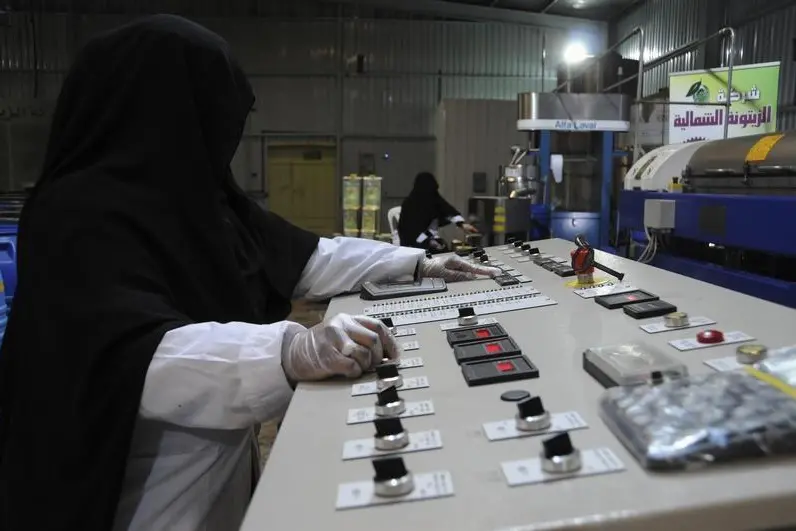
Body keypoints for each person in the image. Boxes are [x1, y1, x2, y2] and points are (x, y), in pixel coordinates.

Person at [0, 15, 499, 531]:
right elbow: (129, 355)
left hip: (219, 468)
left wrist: (417, 264)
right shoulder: (77, 215)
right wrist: (288, 350)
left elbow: (309, 256)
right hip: (133, 488)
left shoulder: (202, 200)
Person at [398, 171, 478, 252]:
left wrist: (462, 224)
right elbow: (410, 233)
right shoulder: (410, 205)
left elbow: (447, 209)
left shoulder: (433, 198)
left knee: (444, 247)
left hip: (428, 238)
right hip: (412, 246)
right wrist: (429, 242)